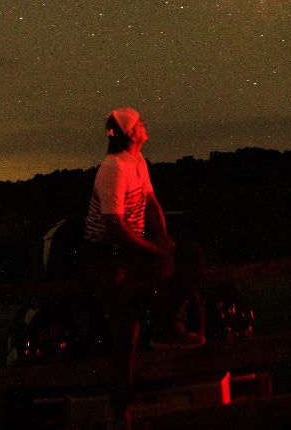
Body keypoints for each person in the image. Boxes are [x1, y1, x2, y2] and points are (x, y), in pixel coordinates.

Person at [80, 108, 203, 406]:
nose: (145, 125)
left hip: (129, 249)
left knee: (190, 256)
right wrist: (154, 250)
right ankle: (120, 405)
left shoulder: (137, 163)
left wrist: (162, 241)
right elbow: (114, 228)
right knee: (126, 324)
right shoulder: (114, 168)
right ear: (132, 134)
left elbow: (151, 203)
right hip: (106, 254)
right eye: (140, 123)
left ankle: (167, 326)